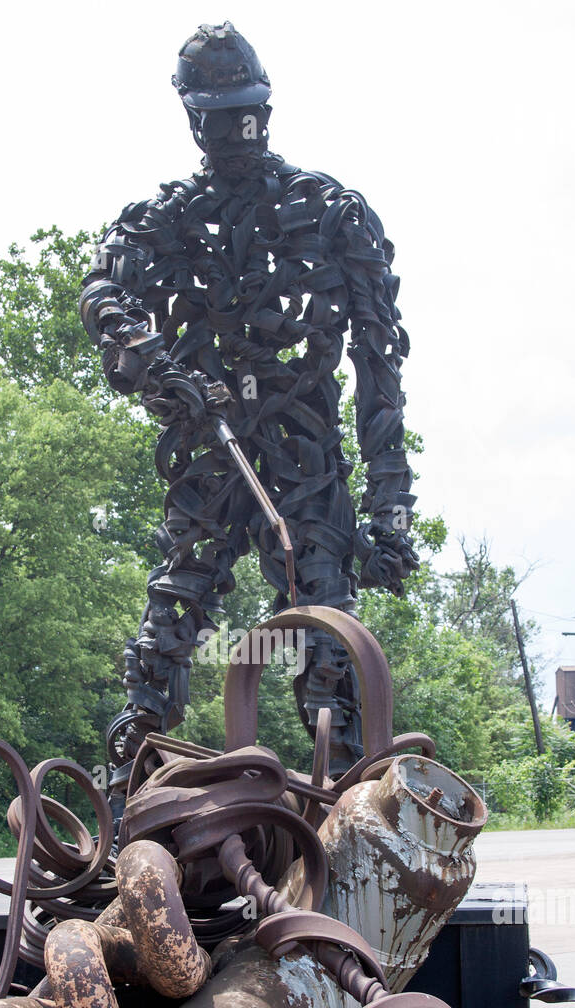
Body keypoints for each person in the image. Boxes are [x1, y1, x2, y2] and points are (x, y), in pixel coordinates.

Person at [80, 21, 416, 798]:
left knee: (326, 630)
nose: (238, 130)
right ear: (192, 119)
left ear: (267, 109)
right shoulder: (163, 220)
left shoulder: (331, 213)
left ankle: (351, 803)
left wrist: (389, 504)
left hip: (303, 460)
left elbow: (379, 362)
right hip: (210, 451)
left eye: (248, 112)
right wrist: (155, 363)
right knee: (171, 618)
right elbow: (103, 291)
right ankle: (135, 792)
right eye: (219, 115)